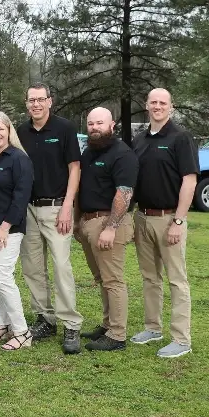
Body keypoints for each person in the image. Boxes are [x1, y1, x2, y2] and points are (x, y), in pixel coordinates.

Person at [16, 83, 85, 354]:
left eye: (40, 99)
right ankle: (45, 318)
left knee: (61, 267)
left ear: (50, 102)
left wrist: (68, 205)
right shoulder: (20, 132)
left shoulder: (64, 129)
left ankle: (71, 323)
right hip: (28, 210)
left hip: (57, 208)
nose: (36, 104)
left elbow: (75, 168)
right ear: (26, 103)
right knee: (33, 267)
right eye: (31, 100)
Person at [130, 88, 198, 358]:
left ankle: (181, 339)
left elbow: (189, 180)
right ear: (146, 105)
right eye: (153, 102)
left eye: (163, 102)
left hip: (169, 218)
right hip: (142, 217)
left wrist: (179, 220)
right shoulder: (140, 139)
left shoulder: (181, 138)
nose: (157, 106)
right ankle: (152, 327)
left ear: (171, 106)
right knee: (149, 278)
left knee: (176, 280)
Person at [76, 107, 139, 352]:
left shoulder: (122, 154)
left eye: (99, 123)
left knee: (113, 280)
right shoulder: (89, 153)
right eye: (91, 124)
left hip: (110, 224)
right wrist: (79, 221)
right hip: (90, 223)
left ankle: (118, 335)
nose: (94, 128)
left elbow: (124, 193)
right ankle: (107, 324)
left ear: (112, 125)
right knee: (101, 278)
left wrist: (111, 227)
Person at [0, 112, 36, 351]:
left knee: (3, 277)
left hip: (7, 231)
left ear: (9, 131)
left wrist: (4, 227)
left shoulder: (18, 158)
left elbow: (21, 198)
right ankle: (3, 325)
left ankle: (22, 332)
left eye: (1, 129)